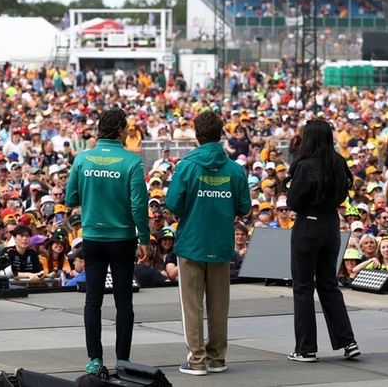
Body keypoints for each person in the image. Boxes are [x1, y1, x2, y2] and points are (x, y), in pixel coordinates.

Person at [65, 107, 150, 376]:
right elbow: (139, 205)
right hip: (123, 237)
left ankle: (94, 359)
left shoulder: (82, 159)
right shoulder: (131, 161)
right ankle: (122, 360)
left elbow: (70, 199)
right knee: (124, 302)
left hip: (93, 237)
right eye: (126, 128)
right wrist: (145, 238)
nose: (128, 132)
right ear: (119, 130)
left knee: (93, 300)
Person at [165, 109, 250, 376]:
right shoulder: (235, 170)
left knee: (192, 305)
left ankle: (197, 360)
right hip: (221, 244)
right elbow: (244, 207)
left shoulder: (187, 166)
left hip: (191, 242)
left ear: (197, 134)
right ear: (220, 132)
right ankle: (216, 358)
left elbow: (172, 203)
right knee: (218, 305)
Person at [285, 119, 360, 363]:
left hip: (307, 224)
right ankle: (348, 341)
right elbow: (344, 192)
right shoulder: (338, 163)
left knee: (304, 287)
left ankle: (306, 348)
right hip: (331, 226)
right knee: (329, 285)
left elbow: (292, 202)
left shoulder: (304, 165)